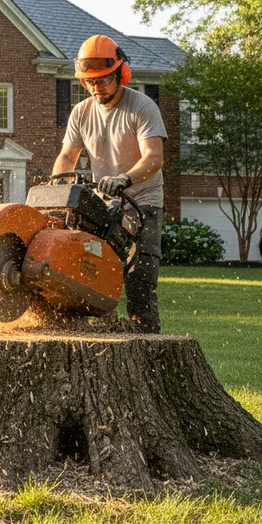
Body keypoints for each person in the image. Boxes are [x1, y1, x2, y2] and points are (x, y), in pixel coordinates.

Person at [52, 34, 167, 332]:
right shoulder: (81, 112)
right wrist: (57, 188)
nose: (96, 87)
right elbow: (67, 157)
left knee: (139, 276)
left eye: (102, 80)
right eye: (90, 81)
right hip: (104, 202)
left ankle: (148, 339)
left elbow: (154, 158)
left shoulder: (142, 107)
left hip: (142, 201)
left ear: (120, 73)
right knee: (89, 270)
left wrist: (125, 178)